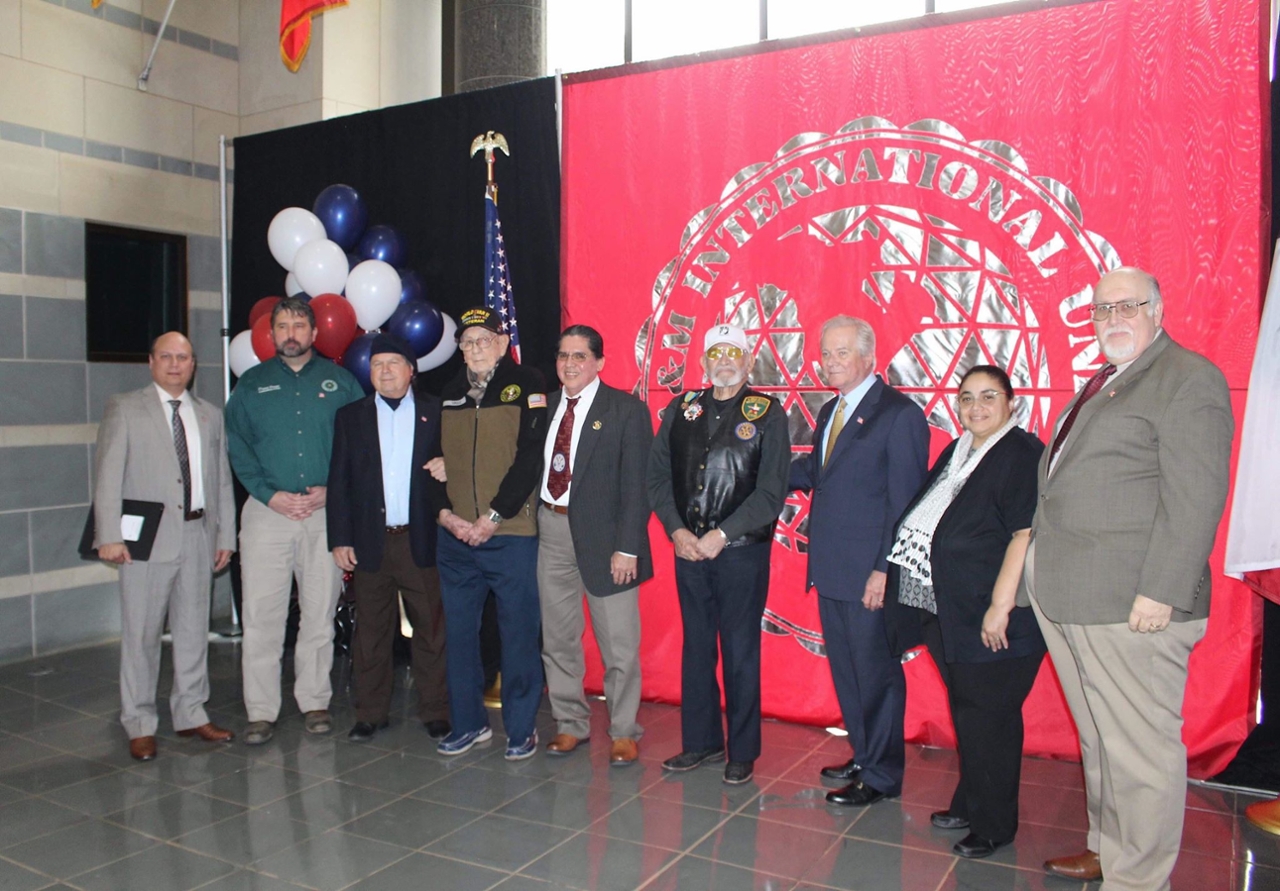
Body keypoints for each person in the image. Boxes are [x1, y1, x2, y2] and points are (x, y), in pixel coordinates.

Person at [1027, 267, 1233, 889]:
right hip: (1070, 592)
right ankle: (1107, 849)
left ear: (1158, 309)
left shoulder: (1188, 378)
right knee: (1099, 735)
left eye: (1128, 306)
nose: (1112, 318)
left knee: (1140, 752)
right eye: (1101, 309)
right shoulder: (1106, 381)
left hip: (1132, 600)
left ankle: (1137, 879)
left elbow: (1197, 497)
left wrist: (1163, 590)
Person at [883, 365, 1046, 858]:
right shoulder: (961, 450)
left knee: (990, 718)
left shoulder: (1020, 453)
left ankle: (994, 825)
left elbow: (1025, 532)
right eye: (967, 397)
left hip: (993, 616)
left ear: (1011, 403)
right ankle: (971, 801)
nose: (976, 407)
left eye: (989, 397)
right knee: (970, 715)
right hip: (946, 607)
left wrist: (1000, 607)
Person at [789, 315, 928, 807]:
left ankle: (883, 775)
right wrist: (759, 472)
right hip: (830, 566)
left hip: (871, 572)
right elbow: (816, 471)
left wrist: (884, 570)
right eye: (826, 353)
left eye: (841, 352)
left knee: (877, 675)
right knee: (848, 672)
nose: (831, 361)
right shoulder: (831, 410)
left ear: (870, 357)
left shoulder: (899, 414)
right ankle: (864, 752)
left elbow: (905, 503)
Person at [647, 323, 789, 785]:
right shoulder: (681, 408)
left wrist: (722, 535)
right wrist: (676, 530)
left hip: (740, 553)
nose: (724, 361)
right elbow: (656, 478)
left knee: (740, 649)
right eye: (715, 354)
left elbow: (770, 494)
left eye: (734, 353)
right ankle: (701, 742)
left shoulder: (768, 412)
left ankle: (742, 750)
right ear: (704, 362)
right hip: (688, 550)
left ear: (748, 361)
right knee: (697, 646)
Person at [225, 297, 364, 745]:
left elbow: (360, 447)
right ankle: (261, 710)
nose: (290, 333)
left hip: (325, 515)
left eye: (299, 325)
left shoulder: (341, 382)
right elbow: (237, 447)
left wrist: (334, 492)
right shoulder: (251, 384)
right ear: (271, 333)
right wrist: (268, 495)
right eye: (282, 325)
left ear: (314, 333)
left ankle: (315, 701)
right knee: (262, 615)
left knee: (320, 614)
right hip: (268, 514)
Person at [93, 332, 236, 761]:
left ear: (194, 364)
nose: (176, 364)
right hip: (144, 543)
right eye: (167, 357)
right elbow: (107, 475)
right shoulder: (126, 407)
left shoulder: (209, 415)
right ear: (152, 362)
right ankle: (138, 721)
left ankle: (191, 711)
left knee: (193, 631)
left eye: (184, 358)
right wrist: (109, 536)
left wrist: (225, 535)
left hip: (197, 536)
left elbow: (221, 480)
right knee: (141, 634)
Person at [431, 307, 547, 760]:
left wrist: (494, 516)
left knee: (517, 635)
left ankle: (520, 729)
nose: (475, 349)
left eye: (484, 340)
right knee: (459, 637)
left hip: (510, 533)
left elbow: (530, 457)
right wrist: (447, 516)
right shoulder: (449, 392)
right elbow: (431, 463)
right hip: (457, 538)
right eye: (467, 342)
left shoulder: (528, 383)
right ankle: (468, 725)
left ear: (502, 343)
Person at [536, 325, 653, 765]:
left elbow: (638, 487)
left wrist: (629, 547)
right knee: (559, 637)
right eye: (563, 355)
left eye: (580, 356)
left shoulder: (625, 410)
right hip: (552, 531)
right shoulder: (545, 406)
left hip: (608, 542)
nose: (570, 364)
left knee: (619, 644)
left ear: (599, 362)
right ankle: (570, 723)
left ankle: (624, 729)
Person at [327, 333, 451, 744]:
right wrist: (340, 538)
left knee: (431, 630)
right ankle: (370, 713)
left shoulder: (437, 412)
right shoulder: (351, 416)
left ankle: (435, 711)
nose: (384, 371)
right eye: (377, 365)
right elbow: (340, 481)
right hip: (370, 542)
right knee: (371, 634)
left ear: (411, 370)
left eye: (393, 363)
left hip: (421, 539)